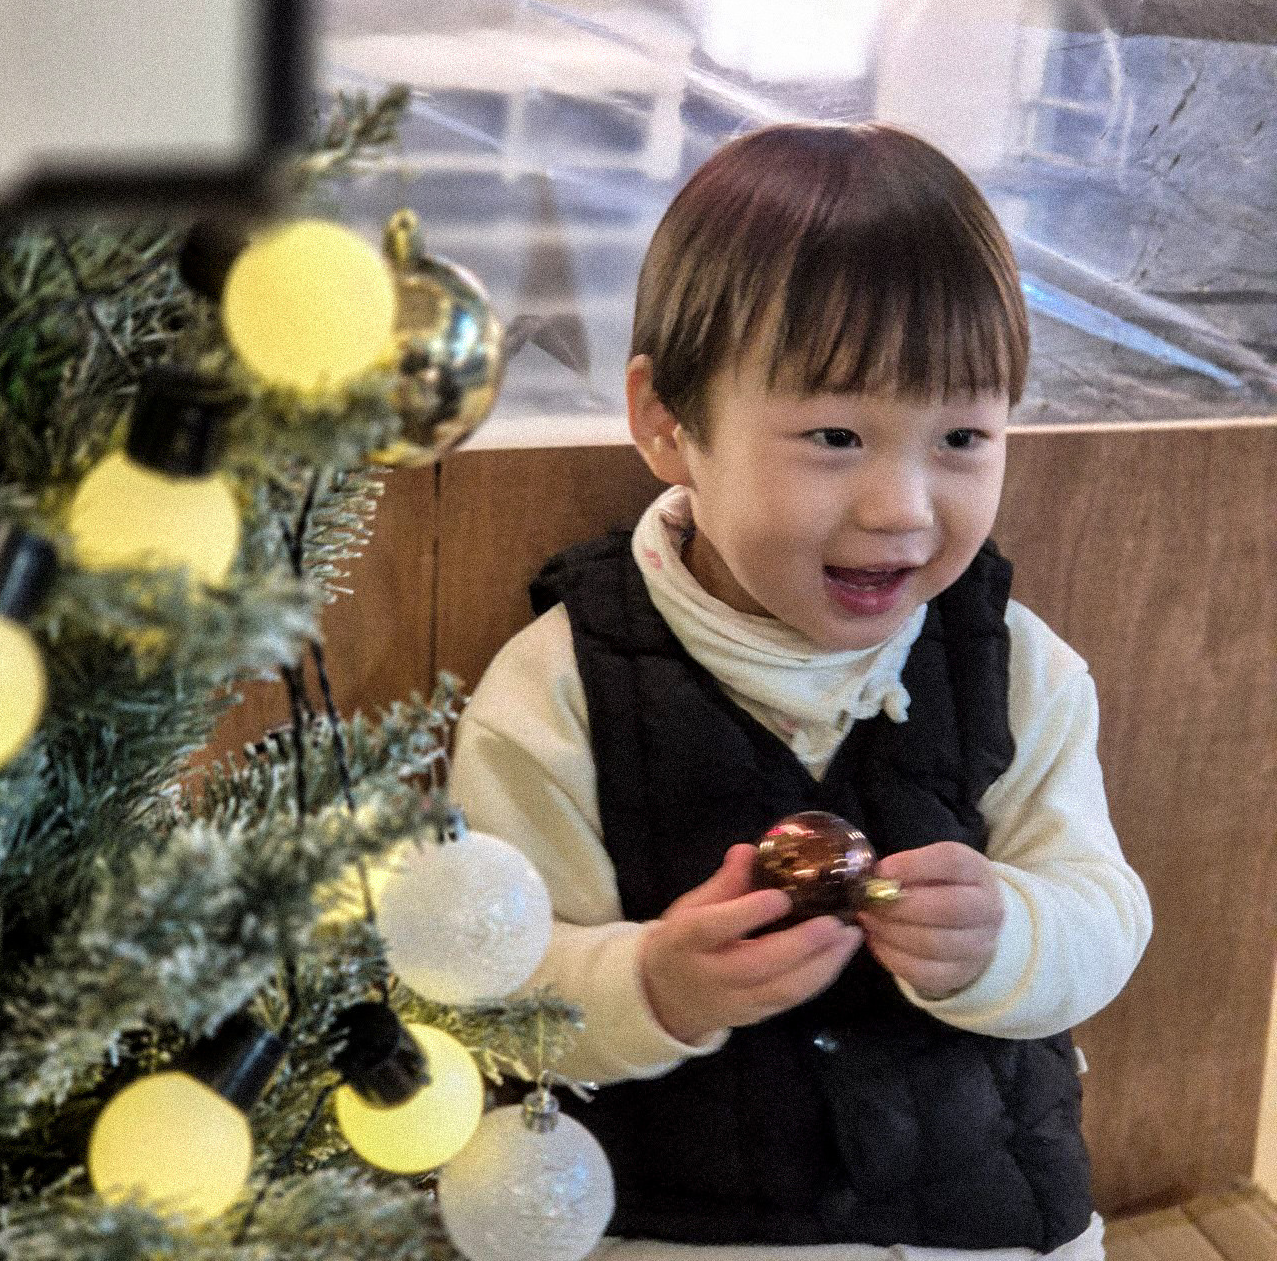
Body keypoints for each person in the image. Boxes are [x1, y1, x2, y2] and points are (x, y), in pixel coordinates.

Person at [449, 122, 1152, 1261]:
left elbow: (1106, 913)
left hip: (983, 1222)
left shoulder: (1019, 668)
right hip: (681, 1225)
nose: (902, 507)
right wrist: (651, 985)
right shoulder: (560, 687)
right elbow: (488, 981)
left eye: (961, 435)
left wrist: (1009, 934)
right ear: (667, 422)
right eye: (834, 434)